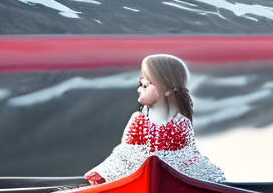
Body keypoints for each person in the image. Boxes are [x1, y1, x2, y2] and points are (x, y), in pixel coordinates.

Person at [85, 54, 226, 185]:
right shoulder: (138, 121)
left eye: (145, 85)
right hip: (137, 183)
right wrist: (103, 172)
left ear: (168, 90)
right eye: (140, 85)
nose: (139, 90)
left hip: (172, 183)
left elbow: (191, 159)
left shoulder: (181, 124)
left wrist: (210, 179)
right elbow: (124, 154)